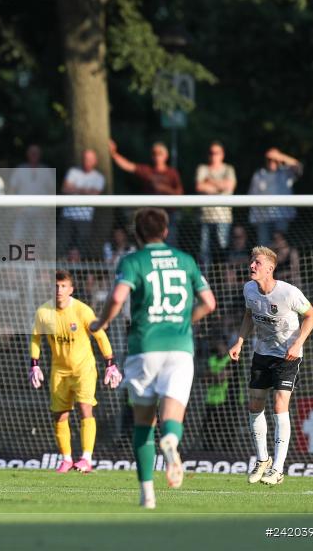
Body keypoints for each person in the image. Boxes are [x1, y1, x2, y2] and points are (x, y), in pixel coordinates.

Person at [90, 208, 216, 509]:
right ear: (166, 230)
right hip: (180, 348)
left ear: (137, 233)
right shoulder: (186, 260)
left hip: (144, 347)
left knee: (143, 423)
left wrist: (101, 323)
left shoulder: (133, 260)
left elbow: (119, 297)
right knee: (172, 417)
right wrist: (186, 320)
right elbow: (209, 303)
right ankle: (171, 441)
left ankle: (147, 493)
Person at [228, 246, 313, 486]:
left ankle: (278, 469)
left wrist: (298, 343)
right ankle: (262, 460)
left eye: (257, 263)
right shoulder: (249, 289)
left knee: (280, 404)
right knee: (255, 403)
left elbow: (312, 316)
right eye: (251, 262)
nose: (252, 266)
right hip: (263, 352)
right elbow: (249, 314)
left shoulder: (288, 293)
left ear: (270, 268)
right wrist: (240, 341)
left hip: (288, 356)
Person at [30, 270, 120, 473]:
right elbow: (35, 338)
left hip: (83, 369)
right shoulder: (43, 312)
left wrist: (110, 363)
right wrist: (34, 364)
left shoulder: (82, 311)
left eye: (63, 286)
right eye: (55, 286)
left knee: (85, 408)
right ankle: (66, 459)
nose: (59, 290)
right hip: (59, 371)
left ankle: (86, 458)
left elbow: (100, 336)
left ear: (71, 289)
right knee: (60, 416)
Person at [247, 148, 302, 246]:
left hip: (282, 217)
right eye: (270, 159)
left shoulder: (286, 173)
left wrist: (279, 156)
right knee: (264, 249)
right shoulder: (258, 175)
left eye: (275, 159)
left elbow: (298, 166)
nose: (272, 162)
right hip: (263, 220)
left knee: (281, 247)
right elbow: (251, 197)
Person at [194, 142, 237, 264]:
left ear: (222, 154)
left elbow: (229, 186)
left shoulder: (229, 169)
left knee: (223, 251)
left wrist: (209, 181)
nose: (214, 155)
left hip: (224, 218)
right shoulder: (202, 168)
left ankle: (224, 279)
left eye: (216, 153)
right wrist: (220, 186)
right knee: (204, 252)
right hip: (205, 218)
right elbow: (199, 186)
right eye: (211, 153)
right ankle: (205, 280)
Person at [59, 149, 105, 259]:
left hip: (85, 219)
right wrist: (86, 190)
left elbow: (95, 194)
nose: (87, 162)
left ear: (95, 161)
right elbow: (65, 188)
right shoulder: (73, 171)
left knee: (81, 249)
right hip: (67, 217)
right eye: (85, 159)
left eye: (90, 159)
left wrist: (75, 188)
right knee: (61, 247)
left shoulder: (99, 177)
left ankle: (80, 275)